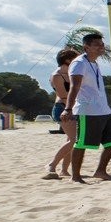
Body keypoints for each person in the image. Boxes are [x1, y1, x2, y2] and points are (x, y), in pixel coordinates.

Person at [64, 32, 111, 183]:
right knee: (81, 143)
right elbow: (74, 87)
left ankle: (100, 170)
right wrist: (68, 109)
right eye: (97, 44)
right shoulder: (79, 63)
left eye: (102, 44)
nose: (101, 47)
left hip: (104, 109)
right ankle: (75, 176)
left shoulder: (94, 63)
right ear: (86, 47)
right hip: (88, 110)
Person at [44, 47, 78, 178]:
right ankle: (52, 165)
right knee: (74, 140)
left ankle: (64, 170)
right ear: (67, 60)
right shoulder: (57, 75)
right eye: (75, 59)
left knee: (71, 140)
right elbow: (64, 96)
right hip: (62, 109)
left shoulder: (71, 73)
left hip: (73, 108)